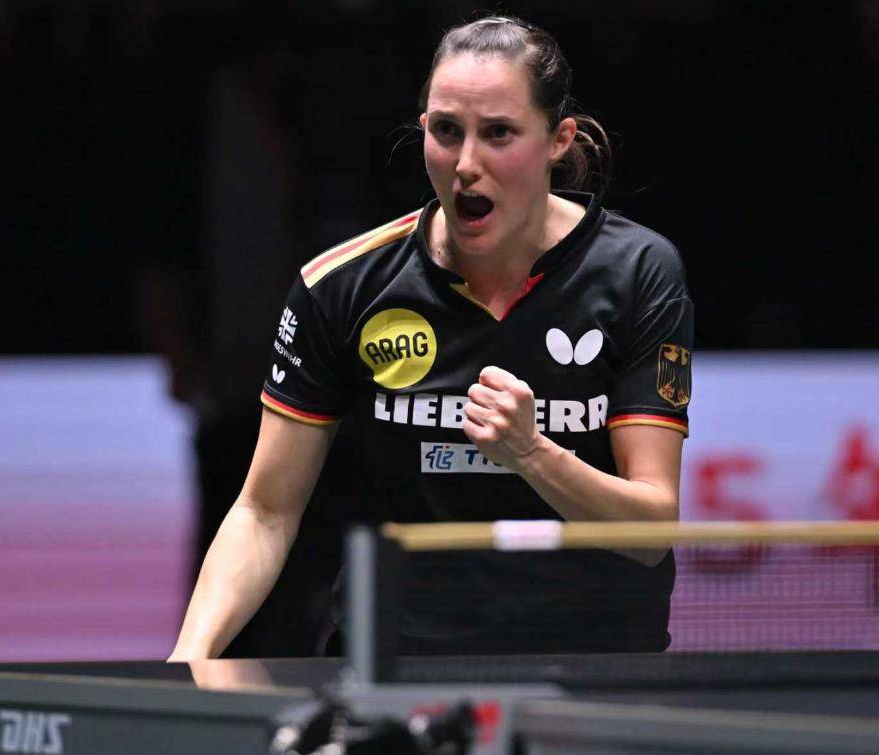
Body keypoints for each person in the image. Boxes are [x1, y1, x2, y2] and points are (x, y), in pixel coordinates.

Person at [169, 15, 693, 660]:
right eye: (446, 131)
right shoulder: (342, 287)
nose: (466, 164)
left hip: (595, 668)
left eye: (498, 133)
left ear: (558, 140)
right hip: (397, 668)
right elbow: (264, 513)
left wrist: (532, 452)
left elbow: (651, 532)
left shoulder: (637, 272)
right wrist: (187, 661)